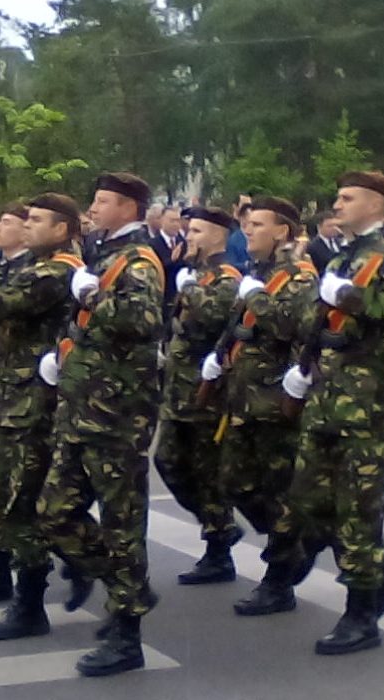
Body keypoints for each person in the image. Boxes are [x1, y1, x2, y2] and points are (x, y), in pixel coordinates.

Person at [265, 170, 384, 657]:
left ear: (375, 206)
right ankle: (383, 569)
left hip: (366, 406)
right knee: (308, 500)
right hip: (327, 396)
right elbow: (317, 319)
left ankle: (361, 613)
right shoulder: (344, 255)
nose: (338, 203)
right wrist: (304, 368)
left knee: (358, 509)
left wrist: (350, 297)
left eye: (347, 198)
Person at [40, 172, 165, 677]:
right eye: (94, 199)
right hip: (82, 407)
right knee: (54, 512)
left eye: (104, 201)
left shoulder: (137, 260)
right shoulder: (103, 253)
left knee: (121, 523)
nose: (93, 208)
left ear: (130, 209)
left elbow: (143, 321)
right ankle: (124, 584)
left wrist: (91, 295)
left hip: (117, 413)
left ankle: (126, 631)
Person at [0, 193, 81, 641]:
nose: (27, 226)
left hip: (31, 407)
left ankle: (34, 600)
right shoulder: (32, 267)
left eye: (37, 220)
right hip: (6, 399)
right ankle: (12, 576)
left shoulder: (56, 271)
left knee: (19, 502)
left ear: (61, 229)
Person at [202, 196, 314, 617]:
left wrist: (259, 300)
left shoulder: (297, 276)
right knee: (234, 482)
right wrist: (217, 360)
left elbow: (293, 326)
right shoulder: (258, 273)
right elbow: (238, 329)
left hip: (273, 402)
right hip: (243, 400)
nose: (247, 230)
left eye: (257, 224)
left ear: (282, 231)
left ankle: (279, 578)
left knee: (278, 489)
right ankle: (295, 542)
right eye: (246, 225)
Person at [153, 206, 243, 585]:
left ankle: (218, 546)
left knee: (207, 471)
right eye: (188, 231)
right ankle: (218, 525)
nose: (189, 237)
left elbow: (210, 320)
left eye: (198, 232)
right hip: (179, 391)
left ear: (219, 236)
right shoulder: (198, 275)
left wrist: (188, 287)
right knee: (168, 461)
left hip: (207, 394)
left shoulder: (227, 277)